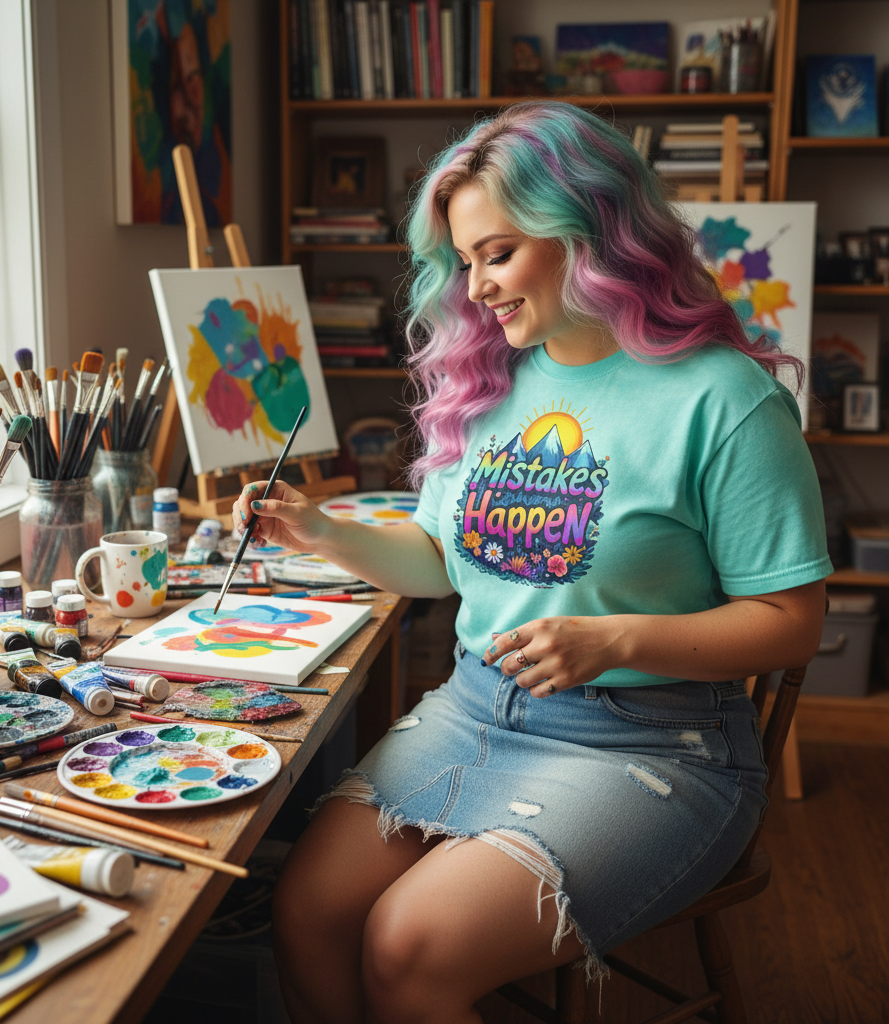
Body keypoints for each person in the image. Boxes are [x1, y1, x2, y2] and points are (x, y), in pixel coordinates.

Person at [234, 102, 830, 1024]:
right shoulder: (488, 381)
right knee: (307, 911)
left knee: (407, 946)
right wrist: (320, 532)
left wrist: (612, 639)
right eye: (465, 261)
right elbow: (440, 560)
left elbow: (794, 622)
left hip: (654, 742)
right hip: (477, 709)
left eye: (497, 253)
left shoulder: (725, 399)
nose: (475, 289)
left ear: (589, 230)